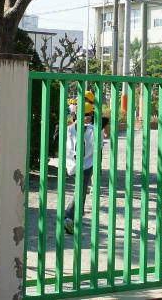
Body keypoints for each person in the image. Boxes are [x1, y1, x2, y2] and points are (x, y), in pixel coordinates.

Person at [64, 91, 110, 235]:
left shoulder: (70, 128)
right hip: (86, 163)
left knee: (82, 189)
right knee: (80, 191)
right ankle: (69, 217)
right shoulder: (94, 128)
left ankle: (77, 216)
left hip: (74, 163)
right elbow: (104, 139)